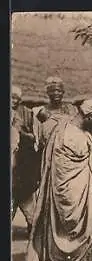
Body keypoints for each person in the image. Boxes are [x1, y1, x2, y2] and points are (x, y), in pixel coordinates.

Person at [25, 98, 92, 261]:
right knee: (56, 227)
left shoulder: (87, 132)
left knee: (82, 226)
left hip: (82, 191)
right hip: (59, 191)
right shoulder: (61, 129)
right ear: (90, 115)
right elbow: (50, 161)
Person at [11, 86, 39, 234]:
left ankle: (34, 234)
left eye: (16, 98)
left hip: (22, 167)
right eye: (11, 97)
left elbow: (33, 138)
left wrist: (21, 133)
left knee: (30, 209)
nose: (14, 100)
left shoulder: (26, 114)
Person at [32, 77, 79, 152]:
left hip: (70, 149)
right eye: (52, 91)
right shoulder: (41, 111)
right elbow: (39, 137)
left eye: (59, 91)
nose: (56, 93)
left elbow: (77, 131)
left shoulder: (71, 109)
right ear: (47, 92)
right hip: (49, 150)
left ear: (63, 92)